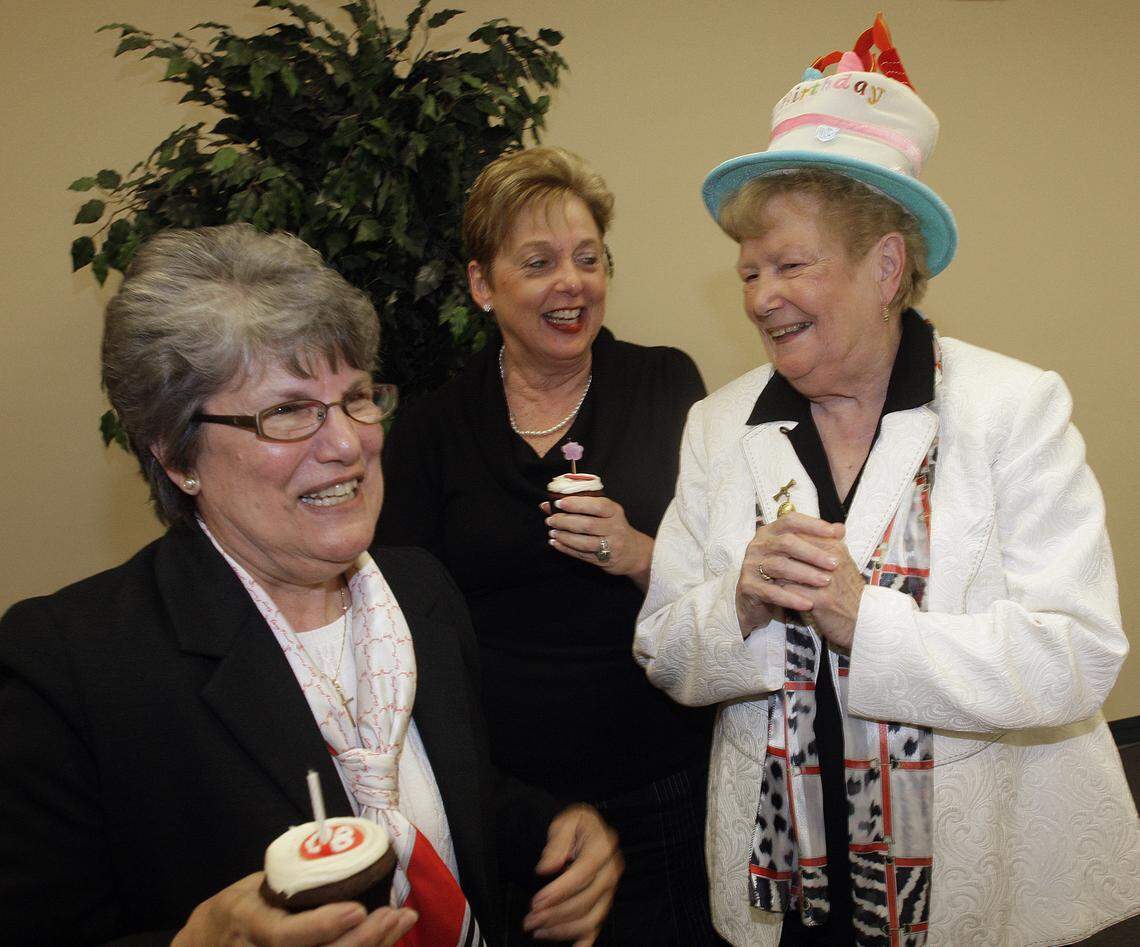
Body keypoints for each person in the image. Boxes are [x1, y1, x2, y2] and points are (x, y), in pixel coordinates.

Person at [633, 15, 1140, 947]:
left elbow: (1077, 653)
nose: (758, 296)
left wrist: (864, 620)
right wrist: (737, 601)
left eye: (790, 265)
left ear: (886, 265)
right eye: (749, 270)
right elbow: (664, 648)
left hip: (970, 870)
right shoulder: (719, 425)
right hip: (787, 884)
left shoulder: (1011, 408)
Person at [0, 224, 622, 946]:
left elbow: (456, 794)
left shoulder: (418, 592)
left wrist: (549, 831)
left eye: (356, 397)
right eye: (288, 412)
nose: (347, 442)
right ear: (176, 454)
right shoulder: (70, 666)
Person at [376, 146, 723, 945]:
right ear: (480, 284)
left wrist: (641, 553)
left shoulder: (668, 386)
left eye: (588, 258)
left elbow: (724, 582)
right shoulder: (432, 426)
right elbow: (406, 621)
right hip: (512, 805)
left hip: (661, 781)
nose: (571, 283)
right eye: (538, 263)